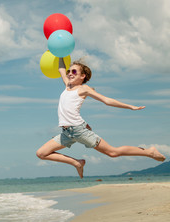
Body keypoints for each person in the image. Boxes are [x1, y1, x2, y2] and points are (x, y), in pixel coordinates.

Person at [36, 58, 166, 178]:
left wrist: (129, 106)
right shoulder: (67, 85)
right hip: (66, 133)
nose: (70, 73)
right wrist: (59, 54)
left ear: (83, 76)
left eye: (74, 71)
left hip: (78, 130)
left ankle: (150, 152)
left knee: (113, 152)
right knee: (41, 153)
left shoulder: (83, 89)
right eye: (70, 71)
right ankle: (77, 163)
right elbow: (61, 69)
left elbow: (106, 100)